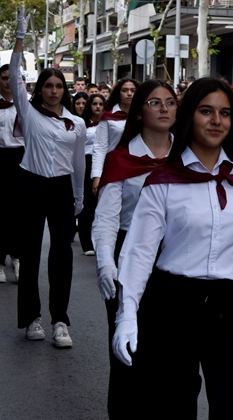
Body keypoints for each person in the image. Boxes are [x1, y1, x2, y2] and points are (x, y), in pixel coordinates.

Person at [112, 78, 233, 418]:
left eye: (225, 113)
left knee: (232, 411)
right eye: (206, 111)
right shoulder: (163, 181)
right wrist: (126, 316)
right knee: (173, 409)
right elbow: (137, 254)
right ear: (190, 116)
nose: (217, 121)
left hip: (230, 309)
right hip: (172, 306)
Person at [91, 79, 175, 418]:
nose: (164, 108)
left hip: (175, 260)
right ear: (139, 111)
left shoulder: (188, 157)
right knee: (127, 354)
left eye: (170, 102)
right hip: (129, 256)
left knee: (170, 358)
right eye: (155, 103)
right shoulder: (121, 159)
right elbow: (107, 219)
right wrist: (105, 263)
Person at [11, 8, 87, 348]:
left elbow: (78, 163)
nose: (53, 91)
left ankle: (60, 320)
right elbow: (14, 77)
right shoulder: (28, 113)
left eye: (58, 86)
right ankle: (32, 318)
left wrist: (79, 197)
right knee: (29, 254)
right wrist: (20, 38)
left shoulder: (76, 123)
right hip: (30, 184)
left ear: (63, 90)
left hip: (61, 189)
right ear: (39, 89)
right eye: (48, 85)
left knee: (61, 256)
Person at [0, 63, 25, 284]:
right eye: (5, 78)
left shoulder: (28, 105)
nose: (8, 82)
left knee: (19, 211)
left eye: (12, 78)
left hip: (20, 158)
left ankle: (17, 256)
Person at [91, 78, 140, 194]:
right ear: (118, 93)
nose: (129, 93)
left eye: (133, 90)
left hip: (138, 167)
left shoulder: (143, 115)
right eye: (125, 90)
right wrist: (97, 176)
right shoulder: (108, 117)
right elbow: (100, 147)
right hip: (113, 167)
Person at [74, 92, 97, 256]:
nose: (98, 107)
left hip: (103, 164)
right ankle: (86, 242)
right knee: (87, 204)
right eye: (94, 104)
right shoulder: (81, 123)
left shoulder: (109, 123)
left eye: (101, 104)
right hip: (85, 162)